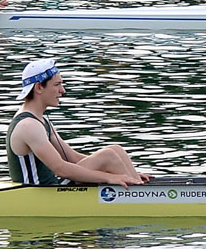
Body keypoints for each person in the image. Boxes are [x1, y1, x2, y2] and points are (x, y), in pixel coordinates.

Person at [8, 60, 147, 186]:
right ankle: (142, 199)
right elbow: (60, 168)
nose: (62, 90)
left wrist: (117, 170)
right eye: (57, 85)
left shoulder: (41, 121)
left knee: (115, 151)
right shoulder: (28, 126)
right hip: (42, 195)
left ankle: (135, 185)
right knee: (108, 156)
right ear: (38, 88)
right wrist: (109, 177)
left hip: (54, 187)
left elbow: (72, 157)